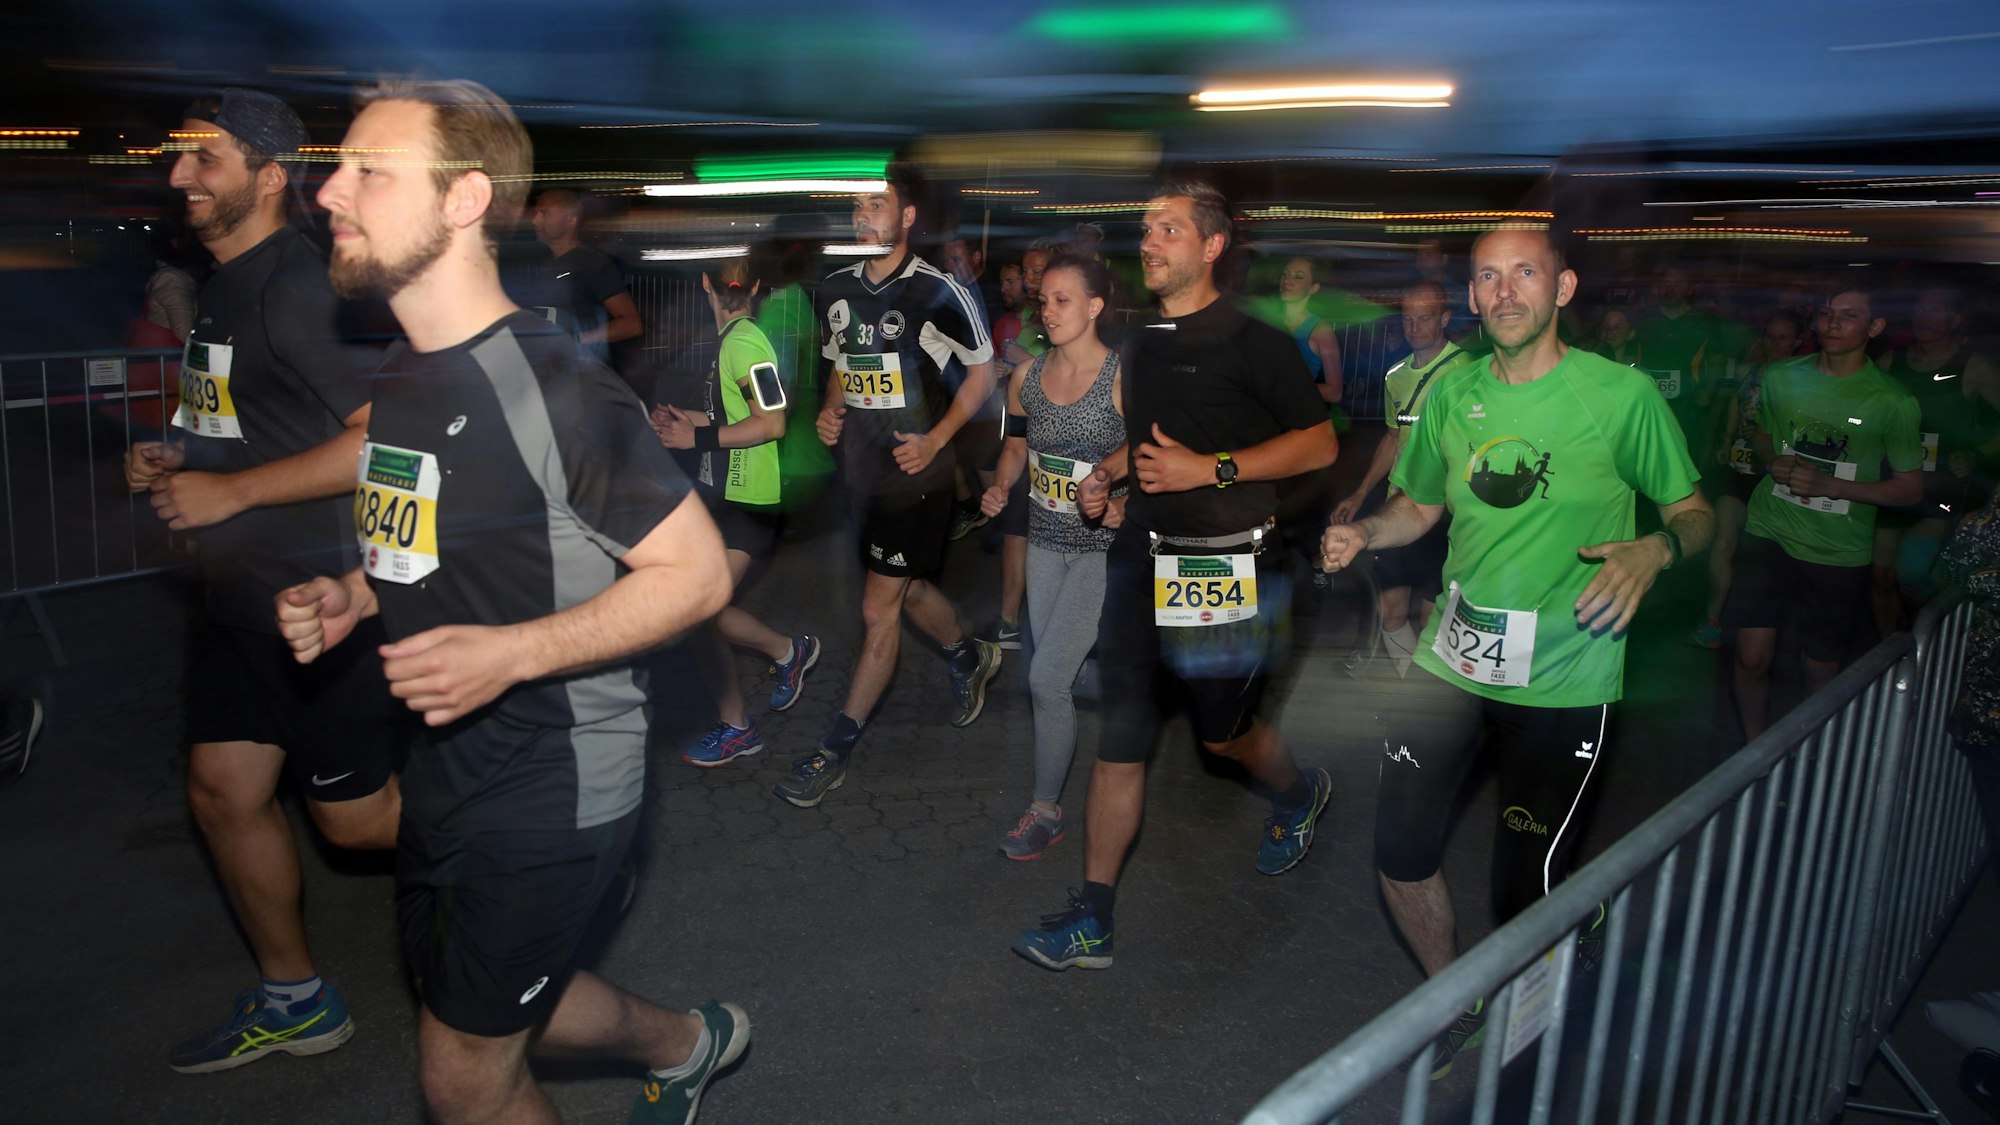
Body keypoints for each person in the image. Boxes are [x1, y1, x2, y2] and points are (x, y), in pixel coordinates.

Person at [294, 79, 745, 1124]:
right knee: (466, 995)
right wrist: (354, 593)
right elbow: (441, 541)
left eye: (369, 172)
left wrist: (509, 655)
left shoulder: (558, 388)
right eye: (338, 168)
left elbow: (697, 574)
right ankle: (686, 1042)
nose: (329, 193)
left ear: (463, 201)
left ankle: (680, 1043)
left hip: (557, 777)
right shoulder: (405, 374)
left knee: (462, 1076)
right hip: (444, 759)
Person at [1320, 226, 1713, 1079]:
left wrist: (1656, 548)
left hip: (1567, 675)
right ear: (1471, 296)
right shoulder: (1453, 392)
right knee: (1399, 849)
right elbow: (1418, 506)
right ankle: (1456, 999)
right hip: (1451, 659)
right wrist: (1366, 532)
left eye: (1524, 273)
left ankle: (1559, 962)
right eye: (1488, 277)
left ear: (1562, 287)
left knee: (1522, 885)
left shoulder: (1621, 397)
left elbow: (1694, 514)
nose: (1504, 292)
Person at [122, 88, 407, 1075]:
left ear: (271, 175)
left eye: (204, 159)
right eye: (179, 156)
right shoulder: (221, 285)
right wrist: (176, 452)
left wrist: (233, 492)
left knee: (357, 821)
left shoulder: (297, 285)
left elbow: (378, 437)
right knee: (220, 788)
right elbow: (245, 416)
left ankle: (524, 850)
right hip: (235, 597)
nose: (180, 177)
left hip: (316, 601)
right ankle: (296, 999)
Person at [1011, 181, 1338, 971]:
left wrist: (1211, 468)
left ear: (1212, 246)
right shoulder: (1145, 343)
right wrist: (1108, 473)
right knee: (1120, 739)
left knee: (1223, 736)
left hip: (1228, 567)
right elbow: (1154, 440)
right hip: (1139, 560)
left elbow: (1319, 445)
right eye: (1147, 228)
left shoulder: (1255, 341)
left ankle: (1298, 791)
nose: (1150, 241)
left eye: (1169, 229)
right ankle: (1093, 919)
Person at [782, 164, 1002, 807]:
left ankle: (834, 750)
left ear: (907, 217)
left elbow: (984, 374)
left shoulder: (938, 289)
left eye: (875, 205)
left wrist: (938, 439)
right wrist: (831, 410)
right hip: (862, 473)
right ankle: (969, 656)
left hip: (917, 474)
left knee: (877, 608)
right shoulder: (835, 287)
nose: (862, 216)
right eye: (856, 206)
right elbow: (841, 365)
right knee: (902, 587)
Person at [1725, 286, 1923, 739]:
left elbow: (1911, 490)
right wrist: (1771, 460)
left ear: (1874, 327)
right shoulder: (1781, 376)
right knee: (1750, 657)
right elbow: (1761, 434)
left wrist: (1831, 485)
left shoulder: (1891, 401)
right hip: (1769, 532)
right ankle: (1754, 756)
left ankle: (1811, 755)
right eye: (1827, 313)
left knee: (1819, 669)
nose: (1833, 323)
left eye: (1849, 316)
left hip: (1836, 549)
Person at [979, 251, 1125, 859]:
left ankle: (1044, 811)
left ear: (1094, 307)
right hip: (1043, 542)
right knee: (1064, 672)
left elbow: (1150, 454)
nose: (1049, 310)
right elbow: (1018, 447)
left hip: (1101, 549)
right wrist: (1001, 484)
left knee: (1044, 678)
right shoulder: (1027, 378)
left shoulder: (1120, 379)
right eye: (1045, 300)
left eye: (1063, 300)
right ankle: (1126, 680)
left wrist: (1114, 491)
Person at [653, 266, 821, 767]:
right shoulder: (732, 340)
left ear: (704, 283)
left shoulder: (744, 343)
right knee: (703, 612)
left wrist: (697, 438)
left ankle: (745, 716)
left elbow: (772, 423)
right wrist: (688, 422)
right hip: (725, 494)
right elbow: (738, 416)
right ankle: (783, 659)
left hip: (751, 500)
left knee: (699, 610)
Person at [1330, 280, 1474, 676]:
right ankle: (1408, 684)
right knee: (1389, 611)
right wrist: (1360, 494)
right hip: (1400, 505)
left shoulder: (1467, 371)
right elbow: (1393, 437)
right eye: (1408, 319)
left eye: (1425, 318)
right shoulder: (1396, 375)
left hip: (1444, 513)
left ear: (1444, 319)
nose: (1415, 328)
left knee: (1432, 620)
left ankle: (1426, 696)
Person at [1873, 287, 2000, 637]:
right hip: (1891, 481)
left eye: (1935, 310)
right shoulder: (1891, 362)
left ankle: (1926, 643)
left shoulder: (1973, 366)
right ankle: (1890, 650)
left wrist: (1977, 454)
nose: (1924, 317)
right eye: (1919, 309)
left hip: (1940, 490)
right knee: (1880, 576)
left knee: (1912, 572)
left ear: (1955, 320)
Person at [1690, 310, 1803, 649]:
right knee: (1724, 543)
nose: (1775, 343)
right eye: (1771, 336)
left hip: (1776, 478)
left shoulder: (1805, 380)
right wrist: (1726, 440)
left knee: (1765, 554)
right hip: (1739, 469)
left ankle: (1767, 627)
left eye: (1784, 337)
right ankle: (1713, 620)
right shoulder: (1750, 372)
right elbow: (1734, 407)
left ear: (1798, 342)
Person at [530, 187, 643, 366]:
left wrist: (578, 340)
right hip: (554, 369)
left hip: (584, 371)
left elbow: (631, 324)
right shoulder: (543, 263)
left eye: (544, 213)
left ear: (571, 220)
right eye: (536, 213)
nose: (535, 220)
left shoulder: (592, 263)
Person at [1275, 256, 1344, 407]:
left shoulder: (1320, 331)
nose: (1287, 281)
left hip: (1293, 413)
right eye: (1285, 274)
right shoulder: (1268, 321)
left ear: (1313, 288)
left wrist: (1286, 390)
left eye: (1298, 276)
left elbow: (1335, 392)